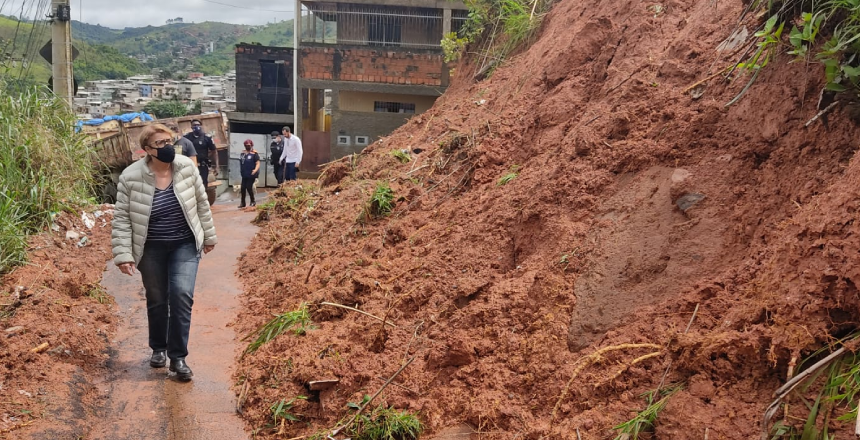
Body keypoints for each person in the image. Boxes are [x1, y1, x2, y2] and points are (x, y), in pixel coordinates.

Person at [111, 123, 217, 382]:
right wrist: (123, 254)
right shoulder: (131, 176)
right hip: (151, 247)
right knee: (157, 299)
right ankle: (159, 348)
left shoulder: (186, 168)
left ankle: (178, 357)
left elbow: (202, 203)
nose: (168, 147)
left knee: (181, 295)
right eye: (160, 143)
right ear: (147, 149)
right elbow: (122, 218)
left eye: (170, 141)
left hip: (184, 243)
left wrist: (209, 235)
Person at [184, 119, 219, 189]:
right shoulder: (187, 138)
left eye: (198, 125)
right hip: (191, 166)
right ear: (191, 127)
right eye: (194, 125)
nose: (196, 127)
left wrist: (217, 166)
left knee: (203, 186)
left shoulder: (207, 137)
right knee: (191, 186)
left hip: (203, 166)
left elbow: (214, 151)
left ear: (201, 126)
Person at [239, 139, 260, 208]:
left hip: (251, 174)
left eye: (248, 145)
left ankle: (253, 201)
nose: (247, 146)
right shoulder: (242, 154)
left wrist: (255, 170)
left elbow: (258, 163)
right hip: (244, 173)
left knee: (249, 187)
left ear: (251, 145)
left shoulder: (254, 154)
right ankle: (243, 202)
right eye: (246, 145)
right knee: (242, 188)